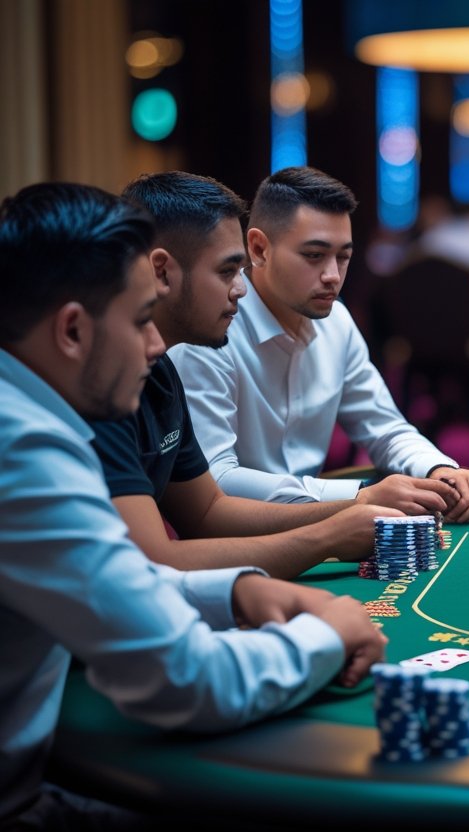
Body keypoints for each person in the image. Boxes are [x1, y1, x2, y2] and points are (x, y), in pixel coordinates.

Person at [0, 182, 387, 830]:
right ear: (71, 330)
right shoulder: (27, 450)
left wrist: (233, 593)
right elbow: (187, 680)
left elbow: (121, 572)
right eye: (140, 321)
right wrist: (327, 634)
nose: (156, 348)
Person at [90, 171, 408, 580]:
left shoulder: (161, 371)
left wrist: (351, 512)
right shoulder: (100, 389)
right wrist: (327, 535)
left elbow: (207, 512)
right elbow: (151, 566)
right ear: (162, 272)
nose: (241, 289)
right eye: (227, 271)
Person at [169, 166, 469, 523]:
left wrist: (437, 469)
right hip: (237, 534)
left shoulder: (336, 321)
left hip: (323, 523)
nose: (333, 277)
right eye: (314, 255)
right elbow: (217, 481)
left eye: (343, 256)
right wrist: (355, 497)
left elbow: (385, 427)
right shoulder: (208, 331)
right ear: (259, 249)